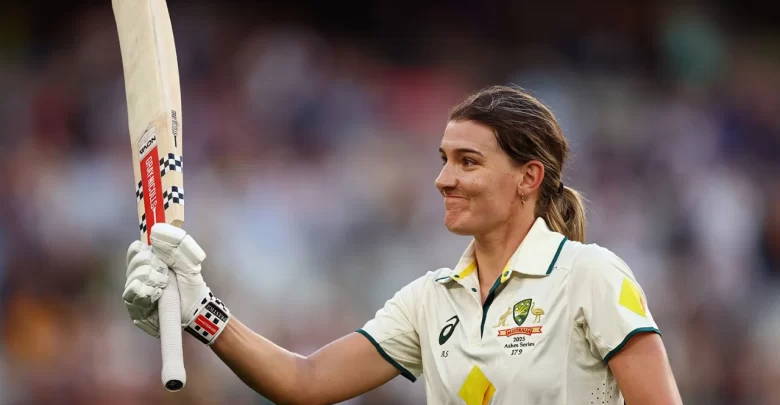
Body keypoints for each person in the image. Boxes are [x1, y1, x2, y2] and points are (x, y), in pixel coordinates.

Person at [124, 85, 683, 405]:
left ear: (528, 178)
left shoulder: (592, 275)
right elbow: (304, 382)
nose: (444, 179)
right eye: (443, 160)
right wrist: (202, 310)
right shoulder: (428, 301)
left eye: (468, 162)